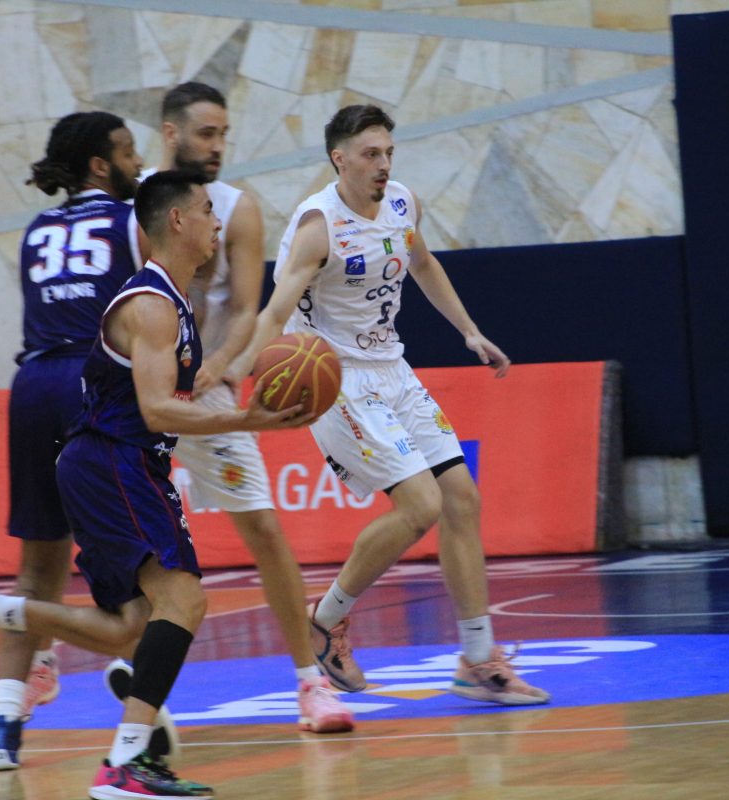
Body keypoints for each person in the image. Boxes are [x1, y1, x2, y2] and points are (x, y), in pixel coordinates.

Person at [0, 170, 314, 800]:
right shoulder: (152, 305)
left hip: (117, 465)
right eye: (206, 209)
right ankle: (127, 762)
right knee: (184, 601)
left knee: (130, 627)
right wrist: (248, 419)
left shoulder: (174, 302)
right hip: (115, 463)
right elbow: (156, 411)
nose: (218, 221)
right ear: (177, 221)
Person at [237, 103, 550, 706]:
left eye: (388, 153)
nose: (383, 164)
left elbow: (423, 264)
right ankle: (325, 620)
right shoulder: (317, 226)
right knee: (422, 504)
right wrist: (236, 370)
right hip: (336, 377)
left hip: (393, 369)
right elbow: (276, 311)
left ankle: (478, 659)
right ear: (340, 159)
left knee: (461, 498)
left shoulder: (403, 203)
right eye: (370, 154)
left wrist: (469, 331)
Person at [102, 82, 353, 735]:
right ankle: (87, 660)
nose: (217, 146)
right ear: (171, 134)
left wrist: (221, 365)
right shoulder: (132, 202)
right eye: (206, 133)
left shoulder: (237, 209)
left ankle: (310, 683)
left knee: (263, 529)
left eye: (223, 135)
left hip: (206, 387)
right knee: (110, 538)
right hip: (133, 390)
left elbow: (246, 307)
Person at [0, 110, 152, 772]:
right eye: (129, 151)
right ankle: (142, 710)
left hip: (33, 386)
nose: (138, 162)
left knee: (38, 564)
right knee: (140, 566)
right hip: (93, 385)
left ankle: (2, 726)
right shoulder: (132, 220)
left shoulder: (37, 230)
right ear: (100, 164)